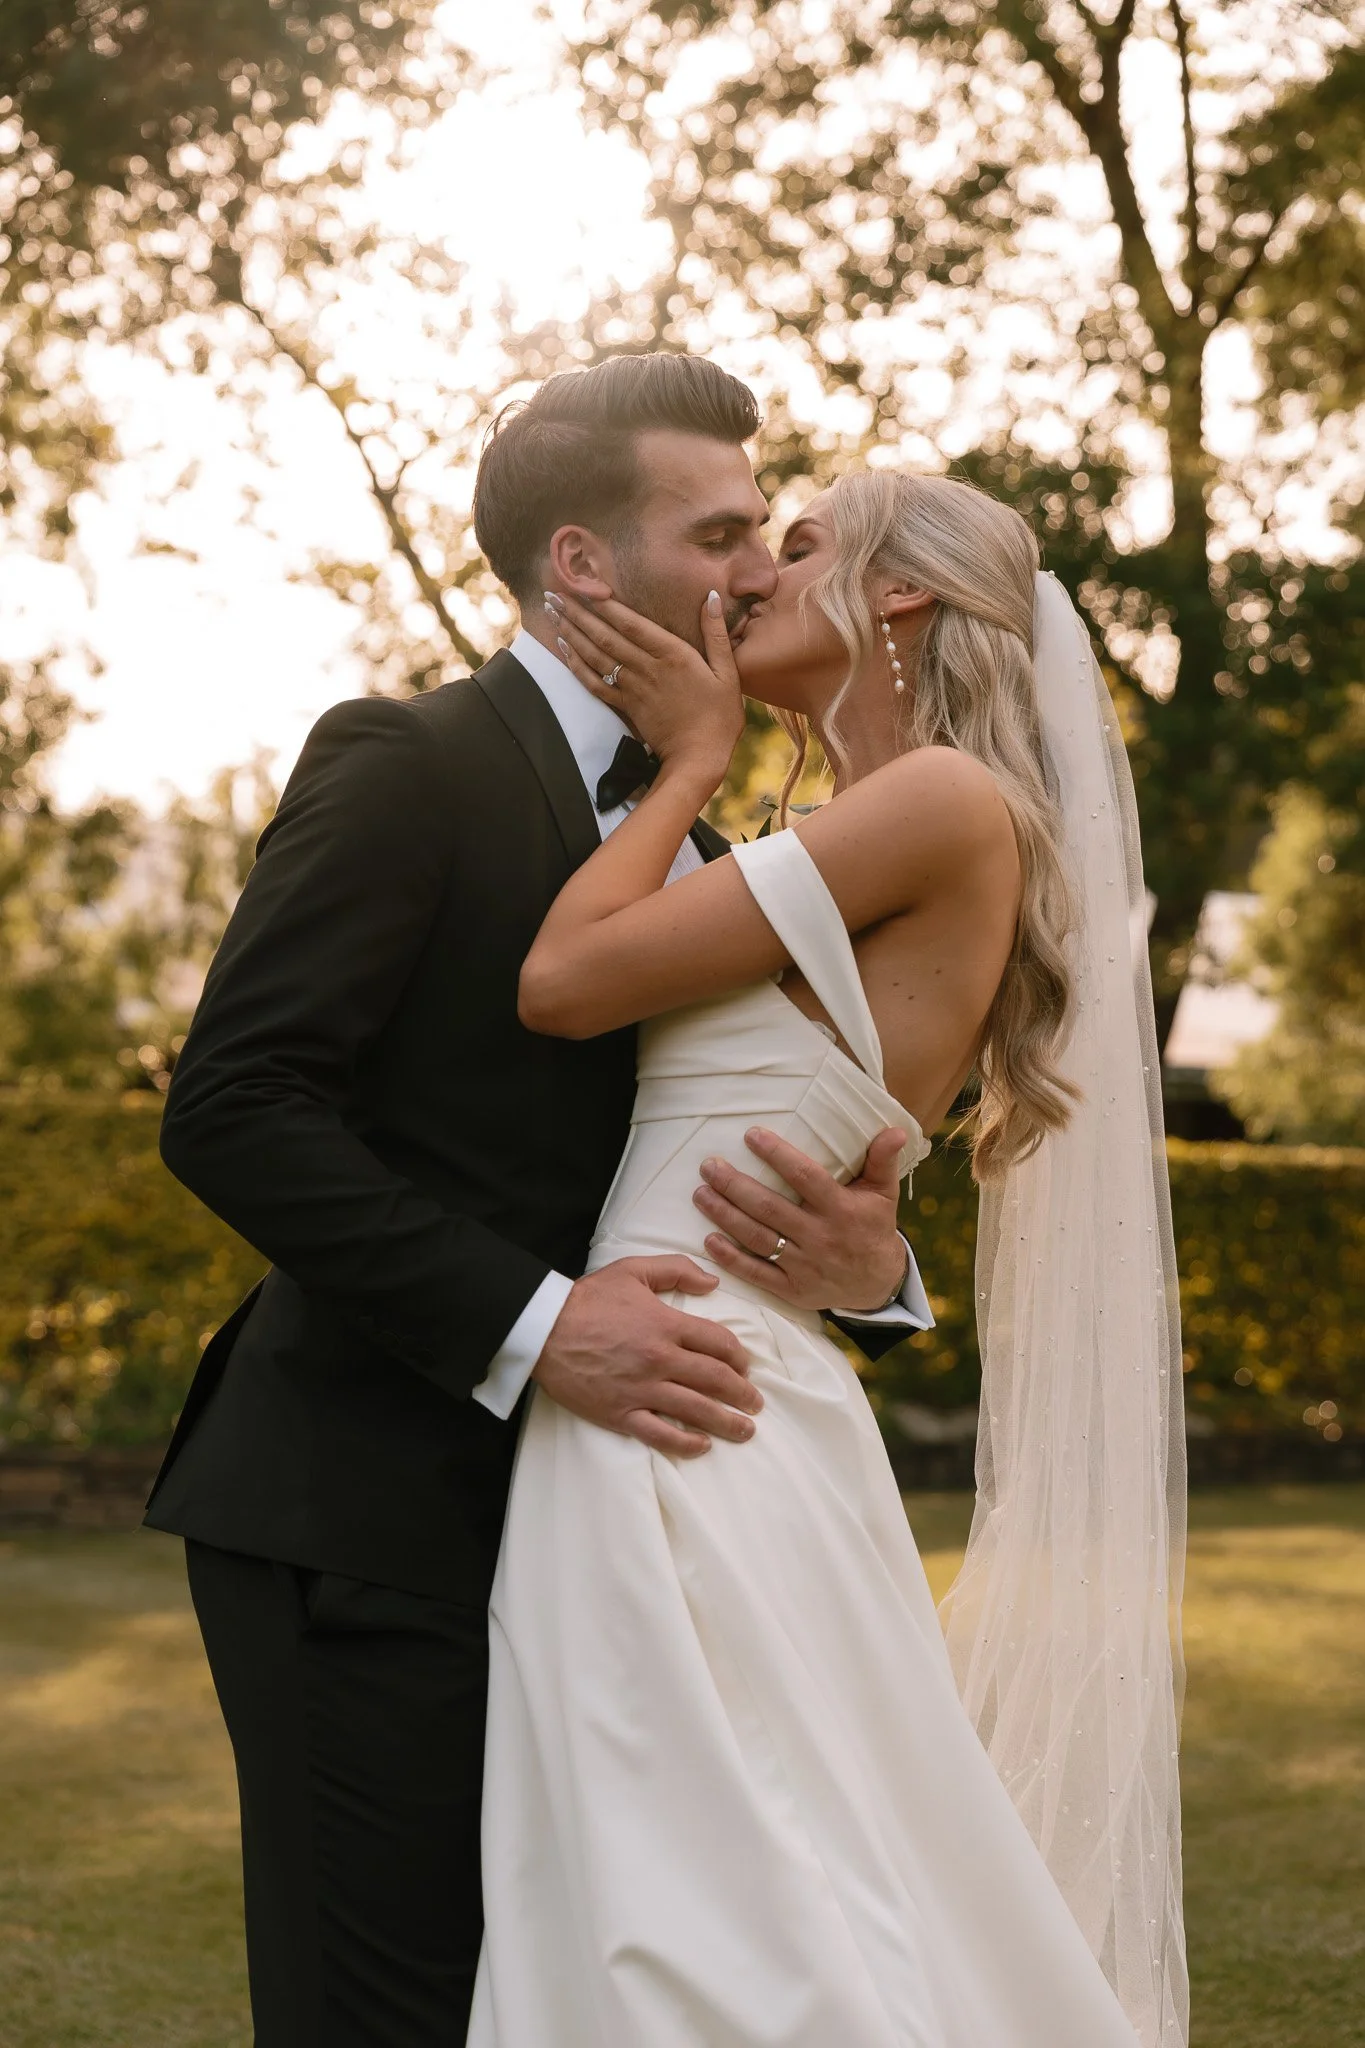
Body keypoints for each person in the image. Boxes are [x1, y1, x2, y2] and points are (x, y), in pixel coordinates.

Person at [144, 352, 931, 2046]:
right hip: (367, 1517)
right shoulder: (405, 760)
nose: (755, 569)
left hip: (619, 1554)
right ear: (583, 562)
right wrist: (539, 1323)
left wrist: (874, 1274)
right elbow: (234, 1107)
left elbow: (718, 1150)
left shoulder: (703, 843)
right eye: (719, 529)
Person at [469, 466, 1187, 2046]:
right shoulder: (852, 825)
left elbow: (568, 980)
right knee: (743, 1884)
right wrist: (878, 1264)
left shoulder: (933, 803)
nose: (754, 577)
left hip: (683, 1402)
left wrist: (692, 752)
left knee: (716, 1915)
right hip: (715, 1381)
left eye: (797, 548)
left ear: (902, 599)